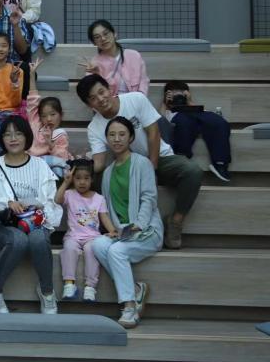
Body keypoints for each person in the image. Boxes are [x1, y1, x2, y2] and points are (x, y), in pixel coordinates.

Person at [77, 74, 203, 250]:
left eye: (101, 92)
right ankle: (105, 227)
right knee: (95, 177)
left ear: (109, 89)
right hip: (128, 169)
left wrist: (151, 168)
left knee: (192, 171)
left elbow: (154, 132)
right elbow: (98, 163)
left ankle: (175, 221)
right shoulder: (94, 127)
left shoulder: (135, 99)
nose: (100, 99)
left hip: (159, 158)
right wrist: (78, 166)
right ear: (89, 104)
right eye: (93, 98)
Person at [0, 116, 61, 315]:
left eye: (18, 133)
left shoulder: (40, 165)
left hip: (34, 223)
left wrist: (34, 206)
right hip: (3, 225)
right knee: (18, 240)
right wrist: (7, 203)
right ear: (1, 139)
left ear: (27, 136)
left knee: (38, 239)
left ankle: (47, 292)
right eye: (7, 134)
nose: (13, 138)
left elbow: (50, 200)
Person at [91, 116, 162, 329]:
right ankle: (135, 289)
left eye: (122, 134)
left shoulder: (142, 163)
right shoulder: (108, 172)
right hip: (123, 233)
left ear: (131, 137)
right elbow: (109, 208)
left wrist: (139, 224)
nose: (117, 139)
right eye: (112, 135)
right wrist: (113, 230)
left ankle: (129, 306)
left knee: (116, 252)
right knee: (98, 244)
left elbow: (149, 197)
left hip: (147, 230)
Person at [55, 160, 115, 302]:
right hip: (73, 236)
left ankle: (90, 287)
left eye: (86, 178)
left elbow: (104, 217)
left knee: (91, 250)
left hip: (92, 237)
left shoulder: (99, 198)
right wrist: (66, 182)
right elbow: (57, 200)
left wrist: (112, 230)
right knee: (69, 248)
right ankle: (69, 284)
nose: (82, 182)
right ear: (73, 179)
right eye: (78, 178)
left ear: (92, 179)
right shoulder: (69, 194)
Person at [160, 80, 232, 182]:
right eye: (174, 95)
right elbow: (160, 124)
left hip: (193, 115)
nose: (178, 98)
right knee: (183, 119)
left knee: (219, 121)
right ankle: (181, 160)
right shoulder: (167, 112)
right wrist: (165, 103)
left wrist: (189, 102)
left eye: (180, 95)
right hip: (180, 123)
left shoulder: (196, 111)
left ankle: (220, 163)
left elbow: (211, 119)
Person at [25, 58, 72, 176]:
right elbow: (33, 100)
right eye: (44, 116)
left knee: (59, 169)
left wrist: (50, 142)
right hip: (32, 163)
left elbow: (62, 157)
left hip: (50, 166)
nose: (49, 119)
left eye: (53, 114)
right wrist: (31, 75)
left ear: (61, 115)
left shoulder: (60, 134)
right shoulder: (35, 124)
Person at [82, 20, 149, 95]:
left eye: (106, 33)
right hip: (110, 101)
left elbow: (143, 83)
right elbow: (96, 93)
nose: (103, 38)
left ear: (114, 34)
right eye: (97, 37)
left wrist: (138, 99)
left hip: (135, 100)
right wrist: (97, 74)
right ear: (94, 42)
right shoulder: (94, 64)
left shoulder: (134, 56)